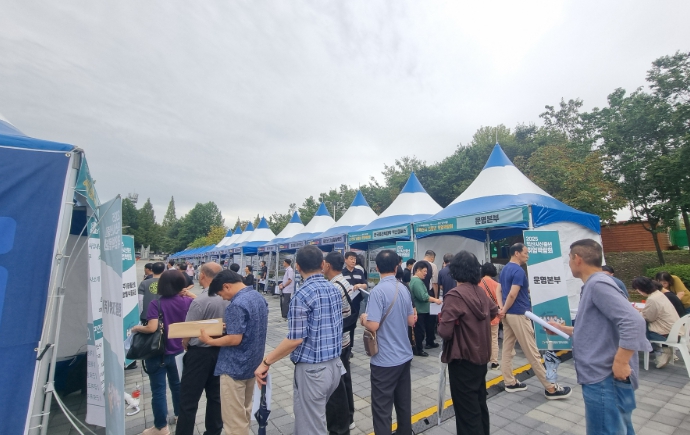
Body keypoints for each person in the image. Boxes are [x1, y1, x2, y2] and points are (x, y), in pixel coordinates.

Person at [548, 239, 651, 435]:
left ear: (577, 258)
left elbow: (634, 322)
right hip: (606, 378)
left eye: (569, 258)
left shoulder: (597, 284)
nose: (569, 263)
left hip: (604, 378)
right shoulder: (596, 284)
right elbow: (595, 329)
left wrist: (621, 362)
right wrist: (562, 328)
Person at [254, 245, 343, 434]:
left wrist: (266, 362)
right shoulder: (334, 289)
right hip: (335, 367)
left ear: (297, 267)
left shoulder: (301, 295)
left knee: (311, 428)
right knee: (316, 420)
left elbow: (295, 339)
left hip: (313, 371)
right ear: (322, 264)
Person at [497, 243, 571, 399]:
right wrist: (504, 308)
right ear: (517, 253)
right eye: (525, 253)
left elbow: (501, 289)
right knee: (532, 352)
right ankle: (551, 388)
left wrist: (502, 308)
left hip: (509, 315)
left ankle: (509, 381)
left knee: (507, 349)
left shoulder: (505, 269)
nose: (527, 255)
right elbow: (512, 294)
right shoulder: (518, 270)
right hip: (519, 314)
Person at [199, 269, 268, 435]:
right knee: (244, 410)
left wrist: (209, 341)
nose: (223, 298)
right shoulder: (257, 296)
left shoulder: (236, 304)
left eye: (221, 294)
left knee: (234, 421)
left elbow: (234, 339)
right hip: (252, 364)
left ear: (227, 286)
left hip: (234, 367)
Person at [438, 252, 498, 435]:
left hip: (462, 358)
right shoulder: (480, 291)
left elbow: (444, 331)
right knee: (479, 404)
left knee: (466, 411)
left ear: (455, 271)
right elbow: (493, 311)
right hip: (481, 357)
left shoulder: (455, 295)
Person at [360, 250, 415, 435]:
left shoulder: (377, 291)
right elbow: (411, 321)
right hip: (404, 356)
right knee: (403, 403)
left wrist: (363, 319)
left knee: (382, 409)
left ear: (377, 268)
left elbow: (373, 325)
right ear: (396, 267)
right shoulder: (404, 288)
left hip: (384, 360)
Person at [132, 270, 194, 435]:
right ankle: (180, 416)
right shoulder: (187, 301)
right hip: (179, 352)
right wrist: (189, 293)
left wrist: (137, 328)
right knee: (178, 386)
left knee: (158, 390)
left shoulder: (156, 303)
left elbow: (151, 327)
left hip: (158, 354)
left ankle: (161, 427)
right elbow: (200, 302)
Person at [176, 262, 226, 435]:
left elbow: (189, 330)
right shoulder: (226, 297)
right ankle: (213, 431)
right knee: (216, 397)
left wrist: (185, 342)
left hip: (199, 355)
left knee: (188, 400)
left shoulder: (200, 301)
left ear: (203, 275)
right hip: (220, 350)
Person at [323, 251, 356, 434]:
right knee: (345, 379)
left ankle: (341, 424)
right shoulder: (344, 281)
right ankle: (349, 417)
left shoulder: (334, 287)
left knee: (337, 386)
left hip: (337, 342)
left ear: (328, 265)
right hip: (345, 339)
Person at [631, 276, 680, 368]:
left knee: (639, 328)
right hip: (674, 329)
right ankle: (663, 351)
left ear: (641, 289)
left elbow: (649, 318)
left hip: (665, 332)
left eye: (637, 289)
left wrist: (636, 312)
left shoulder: (652, 299)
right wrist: (642, 311)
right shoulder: (658, 294)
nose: (638, 291)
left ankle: (659, 350)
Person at [408, 262, 442, 357]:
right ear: (418, 270)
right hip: (420, 311)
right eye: (424, 271)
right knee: (419, 331)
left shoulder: (416, 280)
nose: (426, 273)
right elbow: (423, 296)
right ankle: (418, 350)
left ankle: (418, 348)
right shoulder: (417, 282)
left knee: (420, 330)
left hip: (421, 310)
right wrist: (435, 300)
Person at [342, 252, 368, 352]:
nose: (353, 261)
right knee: (345, 324)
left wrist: (360, 285)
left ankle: (350, 347)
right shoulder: (342, 273)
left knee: (352, 324)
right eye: (351, 258)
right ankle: (344, 346)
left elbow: (365, 285)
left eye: (355, 259)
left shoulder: (359, 272)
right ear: (345, 260)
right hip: (345, 303)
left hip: (356, 302)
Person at [480, 262, 503, 370]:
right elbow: (499, 301)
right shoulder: (497, 284)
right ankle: (494, 362)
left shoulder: (478, 283)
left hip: (481, 316)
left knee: (482, 339)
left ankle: (482, 359)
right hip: (494, 316)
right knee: (493, 339)